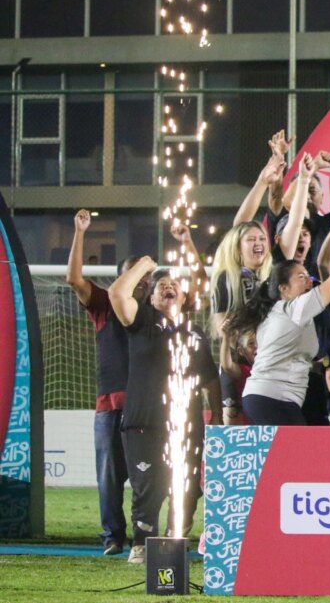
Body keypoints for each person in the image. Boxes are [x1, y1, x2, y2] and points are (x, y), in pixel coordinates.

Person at [108, 259, 220, 564]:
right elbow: (117, 294)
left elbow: (210, 379)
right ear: (151, 298)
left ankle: (173, 542)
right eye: (160, 286)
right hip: (145, 423)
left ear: (183, 296)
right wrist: (143, 265)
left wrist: (219, 416)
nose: (168, 287)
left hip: (186, 424)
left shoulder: (194, 333)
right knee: (150, 488)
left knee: (186, 487)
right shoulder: (142, 322)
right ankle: (142, 544)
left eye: (173, 284)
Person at [65, 210, 135, 555]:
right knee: (109, 478)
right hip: (108, 406)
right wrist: (80, 233)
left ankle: (149, 533)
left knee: (147, 477)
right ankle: (113, 536)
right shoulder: (105, 304)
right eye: (129, 275)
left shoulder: (153, 311)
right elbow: (74, 279)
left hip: (145, 406)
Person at [224, 260, 330, 425]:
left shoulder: (277, 314)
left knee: (293, 450)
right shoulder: (293, 309)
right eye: (301, 276)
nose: (310, 280)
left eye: (308, 275)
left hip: (268, 398)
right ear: (283, 289)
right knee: (299, 450)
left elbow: (285, 358)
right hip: (273, 398)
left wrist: (318, 366)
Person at [208, 220, 272, 423]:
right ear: (238, 247)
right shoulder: (225, 279)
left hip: (269, 365)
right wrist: (248, 341)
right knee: (235, 428)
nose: (258, 243)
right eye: (251, 239)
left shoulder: (273, 278)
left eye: (262, 238)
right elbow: (222, 327)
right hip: (236, 364)